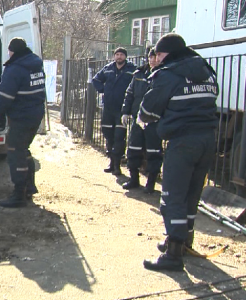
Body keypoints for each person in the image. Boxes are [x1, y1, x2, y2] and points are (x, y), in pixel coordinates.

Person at [138, 34, 219, 272]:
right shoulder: (206, 70)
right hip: (207, 139)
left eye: (160, 54)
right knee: (192, 194)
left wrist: (143, 119)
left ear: (170, 53)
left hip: (182, 141)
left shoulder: (169, 74)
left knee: (173, 196)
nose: (158, 59)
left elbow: (148, 109)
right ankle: (185, 243)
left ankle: (173, 254)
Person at [0, 37, 46, 208]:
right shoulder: (36, 65)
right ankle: (29, 187)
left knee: (15, 153)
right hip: (35, 115)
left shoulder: (14, 69)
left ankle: (19, 194)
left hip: (21, 117)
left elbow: (5, 96)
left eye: (9, 50)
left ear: (13, 51)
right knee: (23, 149)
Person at [121, 48, 162, 193]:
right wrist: (125, 112)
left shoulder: (164, 75)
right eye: (150, 57)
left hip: (154, 121)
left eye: (155, 57)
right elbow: (130, 94)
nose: (152, 60)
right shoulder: (138, 74)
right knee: (133, 148)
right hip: (137, 119)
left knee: (153, 151)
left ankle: (151, 183)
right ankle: (133, 179)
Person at [92, 47, 136, 175]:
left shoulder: (131, 69)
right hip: (108, 108)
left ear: (125, 57)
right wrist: (103, 90)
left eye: (122, 54)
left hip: (122, 109)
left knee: (119, 137)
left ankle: (117, 164)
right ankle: (111, 162)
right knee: (108, 135)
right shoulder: (108, 68)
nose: (119, 57)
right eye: (117, 54)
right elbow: (96, 79)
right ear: (114, 56)